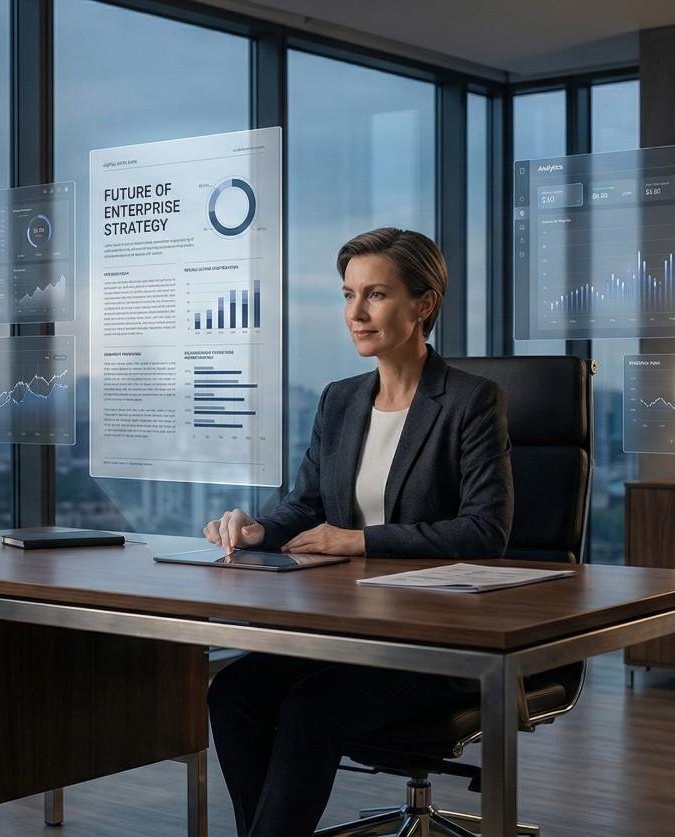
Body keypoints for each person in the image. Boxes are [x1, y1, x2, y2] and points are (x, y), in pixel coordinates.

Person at [202, 227, 513, 836]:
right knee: (233, 691)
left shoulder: (471, 401)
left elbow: (484, 531)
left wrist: (360, 540)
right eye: (348, 295)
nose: (356, 313)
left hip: (438, 640)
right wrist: (258, 528)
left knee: (311, 707)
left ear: (423, 304)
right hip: (349, 631)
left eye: (376, 294)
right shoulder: (340, 400)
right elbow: (307, 505)